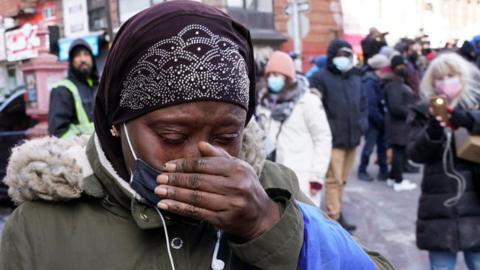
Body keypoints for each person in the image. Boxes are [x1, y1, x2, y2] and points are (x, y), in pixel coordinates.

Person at [0, 2, 395, 270]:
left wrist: (268, 226)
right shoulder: (41, 226)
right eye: (172, 133)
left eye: (227, 134)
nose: (202, 154)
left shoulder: (271, 188)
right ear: (116, 122)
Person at [407, 52, 480, 270]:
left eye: (451, 75)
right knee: (441, 266)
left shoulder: (475, 105)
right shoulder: (423, 111)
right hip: (438, 202)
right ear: (432, 82)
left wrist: (468, 120)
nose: (446, 81)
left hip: (476, 199)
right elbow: (414, 153)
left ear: (462, 76)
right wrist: (432, 132)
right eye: (439, 78)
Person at [256, 51, 332, 207]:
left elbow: (322, 138)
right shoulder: (264, 101)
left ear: (289, 77)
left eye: (277, 75)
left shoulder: (308, 101)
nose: (272, 79)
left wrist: (316, 177)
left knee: (304, 223)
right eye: (270, 75)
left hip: (301, 174)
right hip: (272, 175)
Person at [309, 39, 368, 232]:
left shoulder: (356, 78)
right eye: (340, 55)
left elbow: (362, 105)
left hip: (352, 138)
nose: (343, 59)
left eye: (347, 55)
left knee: (342, 179)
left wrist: (362, 125)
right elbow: (315, 109)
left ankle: (338, 211)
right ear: (332, 56)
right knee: (333, 180)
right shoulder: (320, 77)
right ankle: (334, 217)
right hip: (333, 139)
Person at [48, 39, 99, 138]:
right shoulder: (62, 89)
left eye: (86, 54)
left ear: (92, 59)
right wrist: (81, 143)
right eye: (77, 55)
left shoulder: (99, 86)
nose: (83, 59)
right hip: (79, 151)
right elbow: (58, 132)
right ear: (71, 61)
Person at [382, 55, 417, 191]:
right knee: (398, 152)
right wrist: (410, 113)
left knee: (399, 151)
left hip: (400, 124)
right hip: (397, 124)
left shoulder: (398, 82)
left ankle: (392, 177)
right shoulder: (393, 84)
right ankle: (398, 180)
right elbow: (395, 107)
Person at [357, 54, 390, 182]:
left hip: (379, 120)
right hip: (373, 121)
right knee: (369, 147)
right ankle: (362, 170)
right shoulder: (369, 82)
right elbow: (370, 106)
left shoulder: (376, 80)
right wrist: (381, 120)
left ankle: (383, 171)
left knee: (382, 146)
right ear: (379, 68)